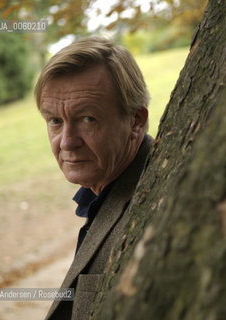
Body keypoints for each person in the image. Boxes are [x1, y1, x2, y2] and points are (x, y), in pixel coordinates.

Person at [34, 37, 153, 320]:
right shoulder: (107, 188)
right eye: (55, 121)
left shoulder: (156, 202)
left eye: (87, 118)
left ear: (135, 121)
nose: (66, 142)